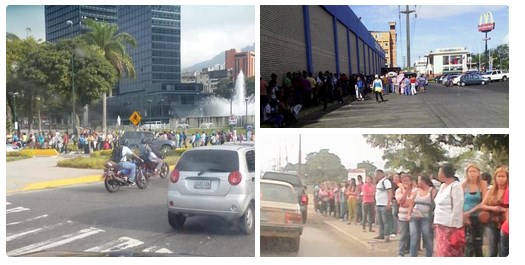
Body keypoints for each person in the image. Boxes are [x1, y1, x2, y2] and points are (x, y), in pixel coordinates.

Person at [433, 163, 464, 257]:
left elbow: (457, 207)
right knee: (440, 251)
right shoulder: (442, 186)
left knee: (448, 252)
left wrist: (453, 226)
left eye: (440, 172)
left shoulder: (456, 186)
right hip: (440, 223)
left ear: (444, 173)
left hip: (449, 225)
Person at [479, 166, 508, 256]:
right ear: (495, 178)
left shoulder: (509, 191)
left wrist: (504, 209)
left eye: (503, 176)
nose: (500, 179)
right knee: (492, 249)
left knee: (504, 249)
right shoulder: (491, 191)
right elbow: (482, 205)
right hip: (491, 221)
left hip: (505, 221)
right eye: (498, 176)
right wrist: (493, 208)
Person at [462, 163, 488, 257]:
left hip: (477, 216)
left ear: (478, 173)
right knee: (468, 243)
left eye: (474, 171)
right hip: (465, 217)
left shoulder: (483, 184)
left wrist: (470, 212)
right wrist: (463, 215)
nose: (472, 174)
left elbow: (483, 203)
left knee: (478, 243)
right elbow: (459, 201)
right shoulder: (464, 185)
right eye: (470, 171)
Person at [407, 175, 436, 257]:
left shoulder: (432, 191)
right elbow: (411, 203)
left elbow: (435, 205)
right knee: (414, 237)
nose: (417, 182)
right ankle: (413, 256)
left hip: (426, 217)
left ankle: (429, 256)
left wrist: (434, 219)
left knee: (427, 237)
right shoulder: (417, 191)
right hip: (414, 217)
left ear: (423, 181)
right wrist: (409, 214)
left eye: (419, 180)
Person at [396, 173, 414, 256]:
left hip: (414, 216)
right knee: (403, 235)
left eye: (407, 180)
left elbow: (414, 203)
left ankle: (411, 252)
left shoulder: (415, 190)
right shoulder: (399, 190)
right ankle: (401, 253)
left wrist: (408, 203)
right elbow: (401, 201)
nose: (405, 182)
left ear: (411, 181)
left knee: (412, 235)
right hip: (402, 216)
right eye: (403, 180)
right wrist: (406, 192)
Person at [374, 169, 393, 241]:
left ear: (380, 174)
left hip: (384, 204)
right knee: (380, 221)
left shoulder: (386, 181)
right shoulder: (379, 182)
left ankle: (386, 235)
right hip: (379, 204)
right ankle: (381, 234)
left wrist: (388, 203)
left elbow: (389, 192)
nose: (375, 177)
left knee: (386, 221)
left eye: (376, 175)